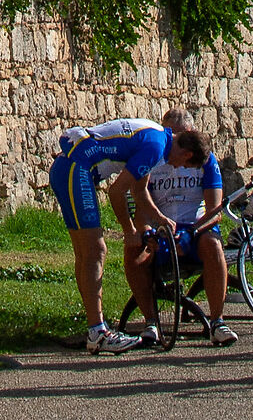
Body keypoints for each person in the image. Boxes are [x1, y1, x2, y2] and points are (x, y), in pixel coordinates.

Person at [48, 115, 194, 352]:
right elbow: (117, 192)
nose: (178, 168)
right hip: (78, 169)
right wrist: (129, 231)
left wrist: (160, 219)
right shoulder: (156, 148)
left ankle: (94, 328)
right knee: (96, 250)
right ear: (186, 154)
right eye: (184, 165)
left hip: (69, 167)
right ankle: (98, 332)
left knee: (86, 253)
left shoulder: (157, 136)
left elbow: (139, 191)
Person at [123, 123, 237, 348]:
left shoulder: (204, 160)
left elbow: (215, 211)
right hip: (162, 229)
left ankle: (218, 322)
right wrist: (147, 233)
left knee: (213, 246)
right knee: (134, 252)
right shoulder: (153, 157)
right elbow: (141, 204)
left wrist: (192, 231)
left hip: (196, 228)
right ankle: (151, 322)